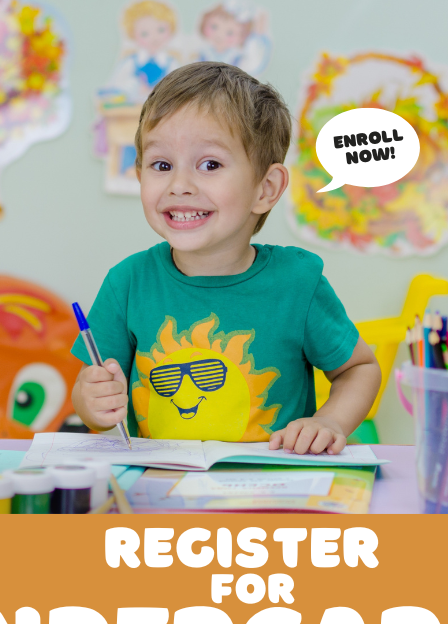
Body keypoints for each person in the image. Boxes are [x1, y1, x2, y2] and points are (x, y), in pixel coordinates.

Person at [71, 62, 380, 455]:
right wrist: (94, 404)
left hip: (267, 495)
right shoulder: (127, 283)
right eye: (162, 165)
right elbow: (90, 394)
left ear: (265, 189)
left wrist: (330, 420)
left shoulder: (298, 283)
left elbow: (358, 368)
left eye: (210, 165)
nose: (179, 185)